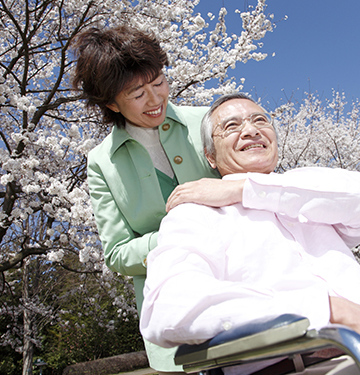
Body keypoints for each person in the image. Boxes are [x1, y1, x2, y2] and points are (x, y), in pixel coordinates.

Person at [140, 93, 360, 353]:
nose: (251, 130)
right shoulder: (197, 214)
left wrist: (244, 189)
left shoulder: (308, 189)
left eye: (261, 121)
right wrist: (329, 311)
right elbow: (168, 308)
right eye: (231, 126)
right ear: (210, 156)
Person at [72, 26, 238, 374]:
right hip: (174, 315)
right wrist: (178, 236)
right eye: (137, 92)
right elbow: (117, 254)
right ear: (110, 103)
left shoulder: (210, 120)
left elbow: (258, 188)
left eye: (158, 82)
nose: (155, 99)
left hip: (243, 290)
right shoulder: (101, 162)